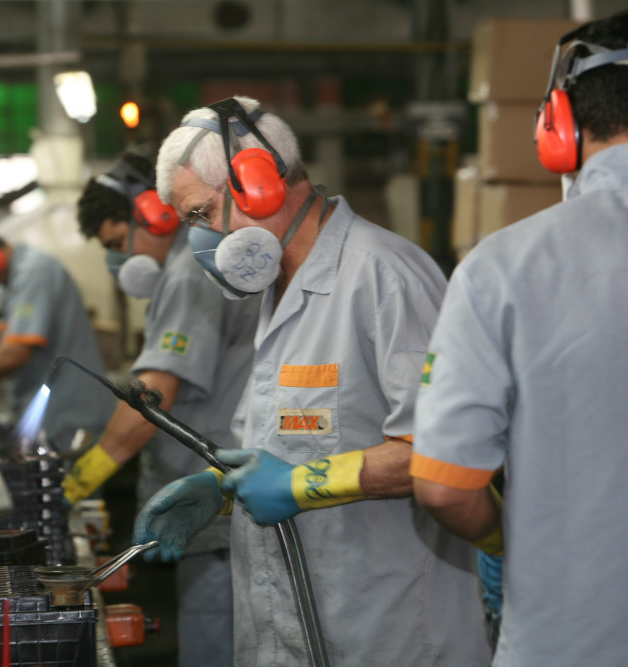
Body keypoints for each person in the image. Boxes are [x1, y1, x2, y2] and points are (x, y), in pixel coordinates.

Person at [133, 96, 491, 667]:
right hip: (294, 626)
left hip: (386, 628)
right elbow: (302, 442)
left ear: (259, 186)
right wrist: (223, 487)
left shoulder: (384, 277)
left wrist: (300, 485)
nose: (198, 242)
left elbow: (440, 455)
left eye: (200, 215)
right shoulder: (277, 289)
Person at [411, 8, 628, 667]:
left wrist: (505, 543)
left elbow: (444, 486)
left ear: (557, 127)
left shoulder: (501, 269)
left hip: (570, 641)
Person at [63, 152, 260, 667]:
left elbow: (154, 394)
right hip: (211, 497)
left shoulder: (187, 275)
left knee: (214, 641)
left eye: (114, 243)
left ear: (151, 213)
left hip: (215, 502)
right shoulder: (190, 268)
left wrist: (83, 477)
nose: (116, 259)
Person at [0, 229, 113, 449]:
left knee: (66, 483)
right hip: (56, 413)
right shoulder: (22, 273)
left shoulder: (33, 272)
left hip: (68, 416)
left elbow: (15, 353)